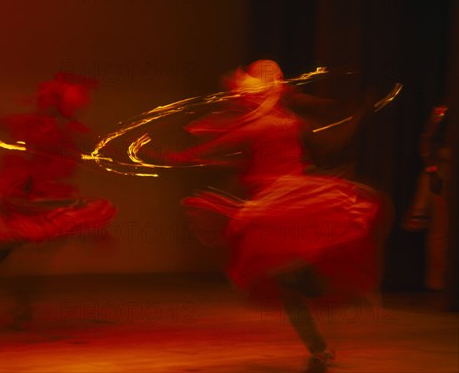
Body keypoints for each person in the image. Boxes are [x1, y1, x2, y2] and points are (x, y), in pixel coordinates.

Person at [165, 61, 393, 372]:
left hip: (282, 206)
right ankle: (322, 326)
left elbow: (220, 145)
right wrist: (359, 115)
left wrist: (183, 156)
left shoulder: (267, 124)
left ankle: (323, 314)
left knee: (289, 283)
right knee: (289, 283)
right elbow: (323, 141)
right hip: (279, 203)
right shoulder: (287, 122)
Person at [0, 72, 116, 328]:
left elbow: (99, 148)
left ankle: (7, 306)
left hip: (42, 200)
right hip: (23, 199)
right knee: (0, 257)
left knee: (13, 259)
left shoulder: (65, 129)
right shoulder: (42, 125)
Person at [403, 104, 451, 291]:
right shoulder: (443, 109)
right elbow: (426, 140)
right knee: (441, 232)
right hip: (444, 174)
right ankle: (438, 283)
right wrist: (432, 171)